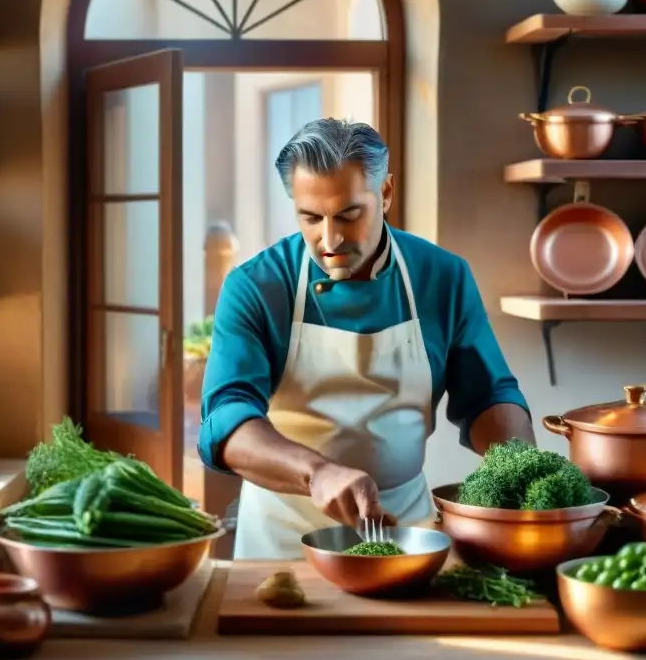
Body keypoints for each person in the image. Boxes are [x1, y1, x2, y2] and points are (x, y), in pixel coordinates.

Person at [198, 118, 535, 559]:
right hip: (281, 538)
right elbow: (225, 419)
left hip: (406, 531)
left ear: (386, 193)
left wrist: (527, 476)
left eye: (349, 215)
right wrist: (317, 473)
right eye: (311, 218)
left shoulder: (442, 277)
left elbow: (489, 395)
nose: (330, 238)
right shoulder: (257, 286)